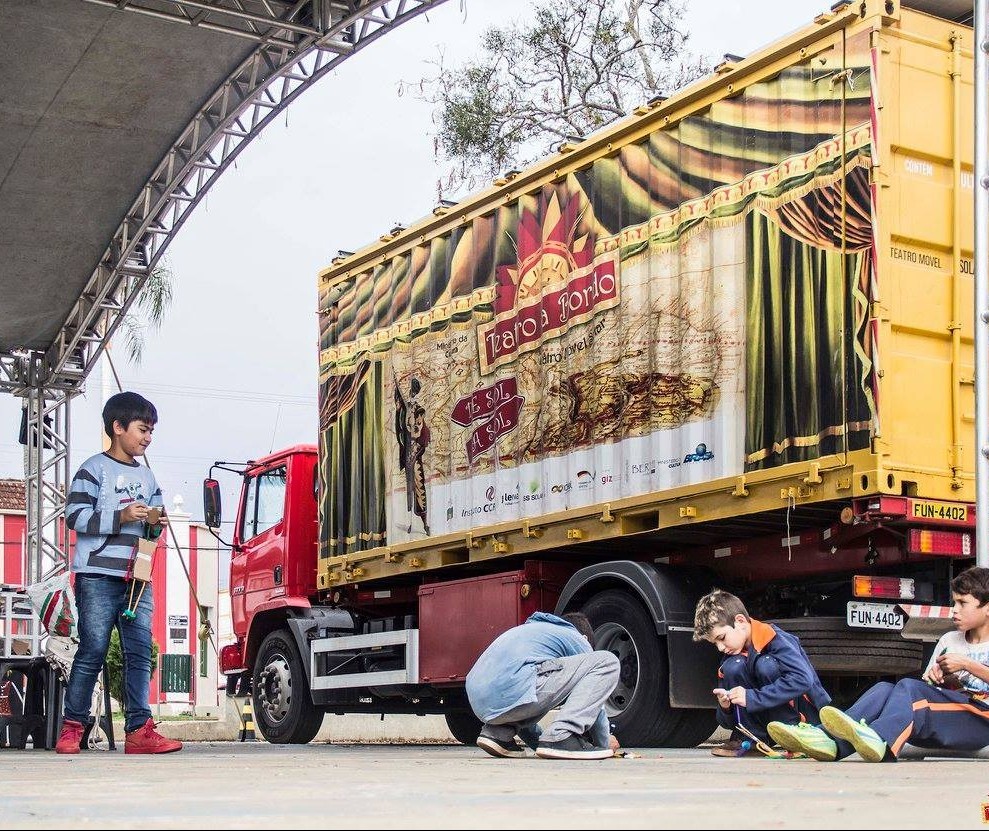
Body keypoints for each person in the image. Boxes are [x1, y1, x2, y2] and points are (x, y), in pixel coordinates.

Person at [55, 392, 182, 755]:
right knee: (93, 649)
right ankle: (72, 728)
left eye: (151, 431)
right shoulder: (93, 470)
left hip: (137, 579)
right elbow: (75, 517)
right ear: (118, 427)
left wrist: (157, 522)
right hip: (96, 575)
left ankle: (140, 730)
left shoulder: (148, 476)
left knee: (140, 652)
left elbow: (154, 524)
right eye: (143, 429)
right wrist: (122, 516)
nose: (148, 438)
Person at [768, 566, 989, 762]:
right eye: (954, 602)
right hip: (953, 713)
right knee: (886, 688)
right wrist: (944, 679)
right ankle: (826, 739)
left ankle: (880, 738)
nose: (955, 610)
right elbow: (934, 690)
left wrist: (968, 665)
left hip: (982, 721)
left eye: (963, 603)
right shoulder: (949, 640)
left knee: (910, 688)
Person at [693, 589, 831, 757]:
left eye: (721, 638)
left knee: (766, 665)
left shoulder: (775, 639)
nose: (720, 647)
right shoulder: (732, 657)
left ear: (740, 621)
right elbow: (725, 722)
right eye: (714, 643)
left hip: (807, 719)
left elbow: (803, 680)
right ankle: (752, 740)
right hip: (769, 722)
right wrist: (726, 706)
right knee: (733, 667)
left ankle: (797, 735)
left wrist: (751, 698)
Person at [465, 611, 620, 760]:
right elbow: (595, 696)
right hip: (514, 686)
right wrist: (604, 743)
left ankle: (498, 733)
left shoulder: (532, 631)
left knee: (539, 677)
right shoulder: (576, 637)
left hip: (480, 702)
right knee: (607, 662)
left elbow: (525, 700)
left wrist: (540, 744)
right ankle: (563, 734)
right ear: (584, 637)